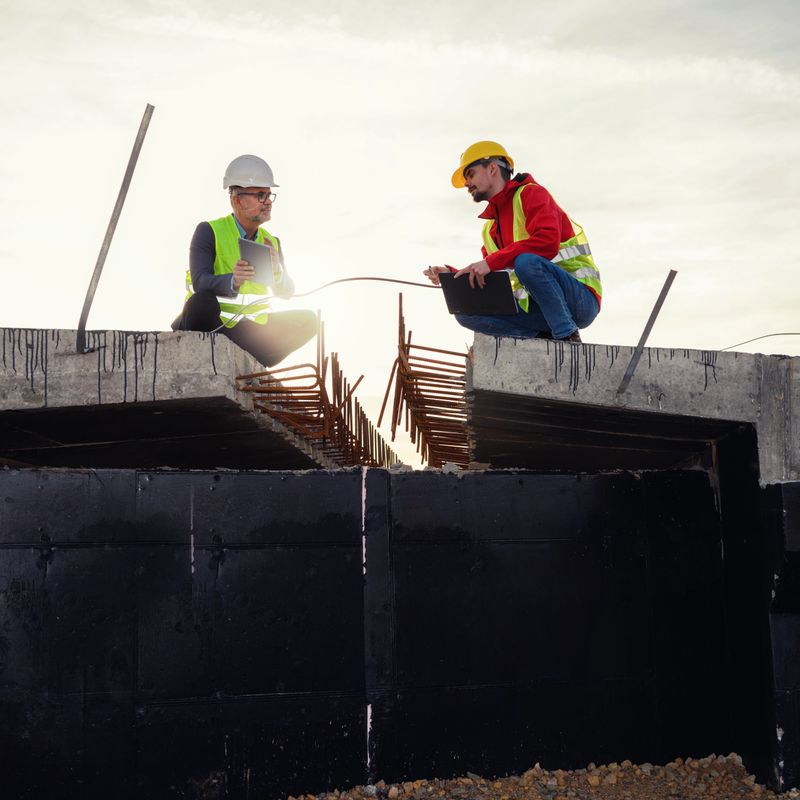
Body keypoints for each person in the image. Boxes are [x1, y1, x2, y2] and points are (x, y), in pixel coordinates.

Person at [424, 141, 601, 343]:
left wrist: (490, 263)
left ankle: (567, 337)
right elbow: (492, 280)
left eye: (470, 174)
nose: (466, 183)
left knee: (526, 262)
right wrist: (454, 277)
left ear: (492, 169)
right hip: (541, 311)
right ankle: (542, 338)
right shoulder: (490, 230)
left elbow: (547, 242)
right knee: (466, 312)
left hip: (579, 300)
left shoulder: (531, 194)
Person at [172, 154, 317, 366]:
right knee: (201, 303)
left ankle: (253, 359)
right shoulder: (209, 231)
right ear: (237, 199)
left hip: (251, 332)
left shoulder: (272, 242)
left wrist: (276, 271)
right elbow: (200, 281)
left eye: (269, 195)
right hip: (214, 324)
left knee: (308, 321)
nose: (268, 202)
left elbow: (287, 292)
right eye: (260, 195)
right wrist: (233, 280)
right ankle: (226, 353)